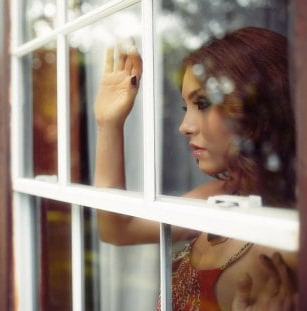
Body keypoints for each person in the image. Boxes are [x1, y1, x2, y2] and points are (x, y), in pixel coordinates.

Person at [94, 27, 298, 310]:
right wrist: (109, 123)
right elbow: (117, 229)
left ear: (255, 106)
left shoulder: (289, 238)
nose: (184, 127)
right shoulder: (220, 195)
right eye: (185, 108)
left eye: (202, 103)